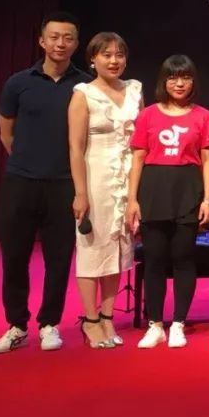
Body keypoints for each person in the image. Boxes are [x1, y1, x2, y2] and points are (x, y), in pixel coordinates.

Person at [0, 11, 91, 354]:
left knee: (58, 259)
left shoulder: (85, 87)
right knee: (14, 256)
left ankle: (50, 324)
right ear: (42, 41)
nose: (61, 43)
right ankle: (16, 325)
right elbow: (6, 134)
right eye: (54, 37)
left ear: (76, 44)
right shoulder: (18, 82)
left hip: (64, 184)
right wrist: (27, 161)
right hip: (21, 182)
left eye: (68, 38)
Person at [126, 55, 209, 349]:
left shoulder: (203, 115)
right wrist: (132, 200)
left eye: (185, 77)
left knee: (183, 258)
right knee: (154, 259)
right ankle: (155, 325)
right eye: (173, 77)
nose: (179, 83)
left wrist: (208, 199)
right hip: (153, 189)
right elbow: (138, 158)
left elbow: (207, 160)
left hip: (188, 189)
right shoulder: (148, 115)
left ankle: (178, 323)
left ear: (193, 81)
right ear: (164, 81)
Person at [68, 32, 142, 349]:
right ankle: (90, 319)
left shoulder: (135, 90)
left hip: (127, 178)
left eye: (119, 55)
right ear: (92, 60)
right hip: (94, 177)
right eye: (106, 55)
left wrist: (136, 190)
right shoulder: (83, 94)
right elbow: (75, 148)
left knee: (119, 249)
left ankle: (108, 316)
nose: (114, 61)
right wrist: (80, 192)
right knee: (92, 248)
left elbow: (141, 142)